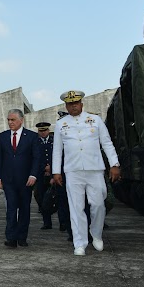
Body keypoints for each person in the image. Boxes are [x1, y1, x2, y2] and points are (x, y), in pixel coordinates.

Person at [52, 91, 120, 256]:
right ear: (66, 106)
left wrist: (114, 164)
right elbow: (57, 150)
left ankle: (96, 233)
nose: (73, 106)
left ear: (82, 104)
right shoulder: (61, 124)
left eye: (76, 103)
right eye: (70, 104)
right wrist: (56, 171)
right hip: (73, 171)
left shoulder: (94, 120)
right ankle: (79, 243)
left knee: (98, 204)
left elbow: (107, 143)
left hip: (94, 169)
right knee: (76, 208)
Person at [0, 109, 41, 248]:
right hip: (8, 179)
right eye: (8, 120)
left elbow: (36, 158)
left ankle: (22, 236)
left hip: (26, 180)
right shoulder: (3, 136)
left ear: (21, 120)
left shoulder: (32, 136)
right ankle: (11, 238)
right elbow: (0, 158)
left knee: (24, 209)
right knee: (11, 209)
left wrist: (33, 175)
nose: (10, 122)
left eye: (13, 120)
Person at [35, 122, 55, 230]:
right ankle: (47, 222)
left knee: (59, 198)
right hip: (41, 174)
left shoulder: (54, 141)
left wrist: (51, 168)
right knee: (42, 198)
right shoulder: (35, 142)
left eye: (45, 130)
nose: (43, 133)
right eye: (40, 131)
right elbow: (35, 158)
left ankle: (63, 223)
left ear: (48, 130)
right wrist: (44, 168)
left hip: (55, 173)